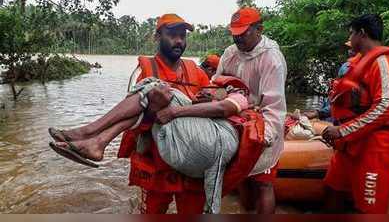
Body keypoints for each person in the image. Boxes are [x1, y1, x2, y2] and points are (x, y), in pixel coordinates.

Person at [49, 75, 253, 213]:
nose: (208, 90)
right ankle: (96, 141)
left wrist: (175, 110)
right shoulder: (148, 69)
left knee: (154, 87)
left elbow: (221, 108)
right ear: (159, 36)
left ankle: (92, 135)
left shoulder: (232, 97)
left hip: (185, 160)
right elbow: (143, 119)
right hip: (158, 159)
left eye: (216, 88)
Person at [118, 14, 210, 214]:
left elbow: (213, 109)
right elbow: (131, 122)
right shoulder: (143, 73)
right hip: (156, 163)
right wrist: (153, 111)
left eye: (182, 36)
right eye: (172, 35)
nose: (179, 41)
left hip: (192, 162)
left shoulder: (196, 71)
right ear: (157, 37)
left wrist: (211, 98)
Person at [322, 14, 389, 213]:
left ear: (361, 33)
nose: (350, 38)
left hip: (375, 146)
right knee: (332, 190)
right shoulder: (358, 62)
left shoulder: (384, 63)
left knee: (368, 211)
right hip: (351, 144)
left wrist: (342, 130)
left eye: (351, 33)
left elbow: (386, 107)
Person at [213, 7, 287, 214]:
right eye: (234, 34)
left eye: (243, 33)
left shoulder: (271, 58)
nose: (238, 39)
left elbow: (275, 104)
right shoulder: (229, 54)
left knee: (264, 183)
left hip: (263, 122)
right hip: (236, 121)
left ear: (259, 29)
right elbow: (217, 83)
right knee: (242, 178)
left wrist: (267, 136)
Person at [303, 41, 357, 122]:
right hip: (332, 108)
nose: (349, 51)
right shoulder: (345, 65)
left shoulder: (353, 69)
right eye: (349, 49)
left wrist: (318, 113)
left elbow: (344, 102)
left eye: (352, 49)